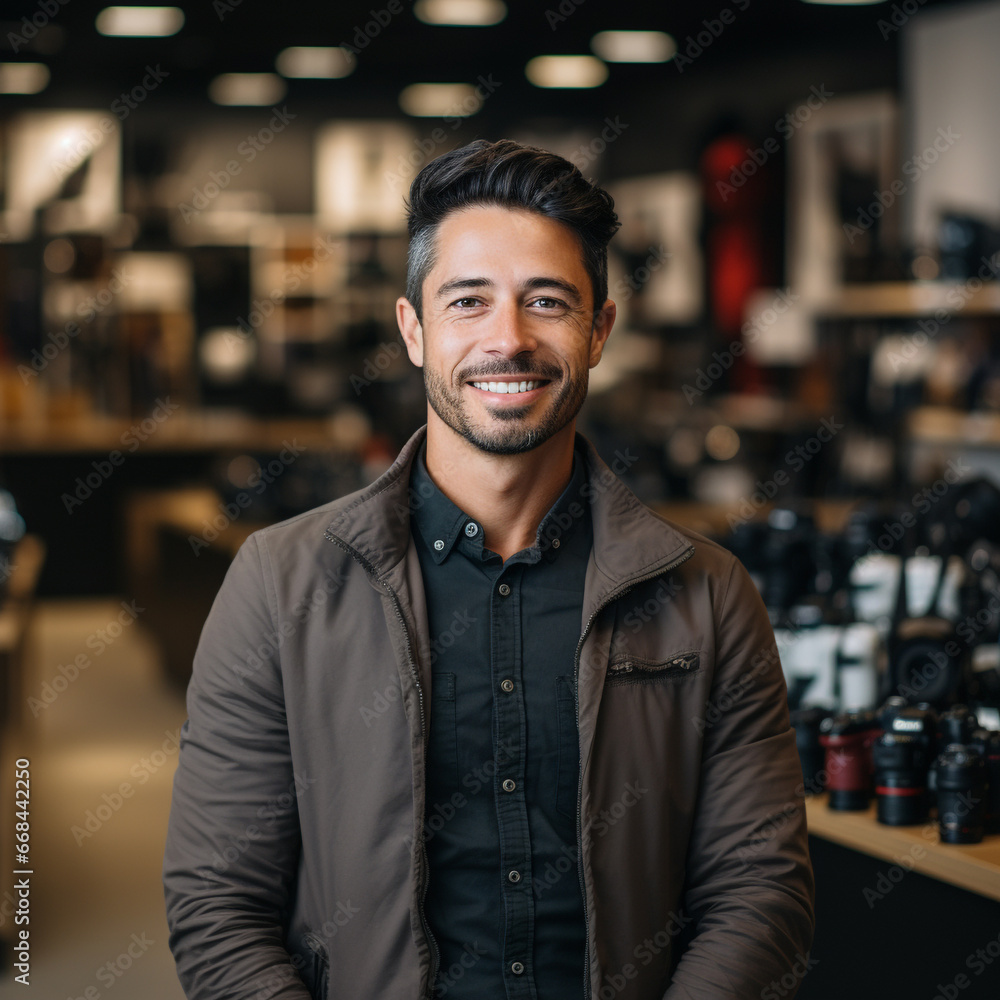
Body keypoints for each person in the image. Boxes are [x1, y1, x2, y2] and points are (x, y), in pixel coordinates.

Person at [163, 138, 815, 1000]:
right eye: (468, 301)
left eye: (547, 301)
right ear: (413, 330)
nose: (507, 339)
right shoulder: (279, 585)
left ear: (600, 329)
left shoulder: (708, 594)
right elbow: (217, 901)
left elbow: (758, 892)